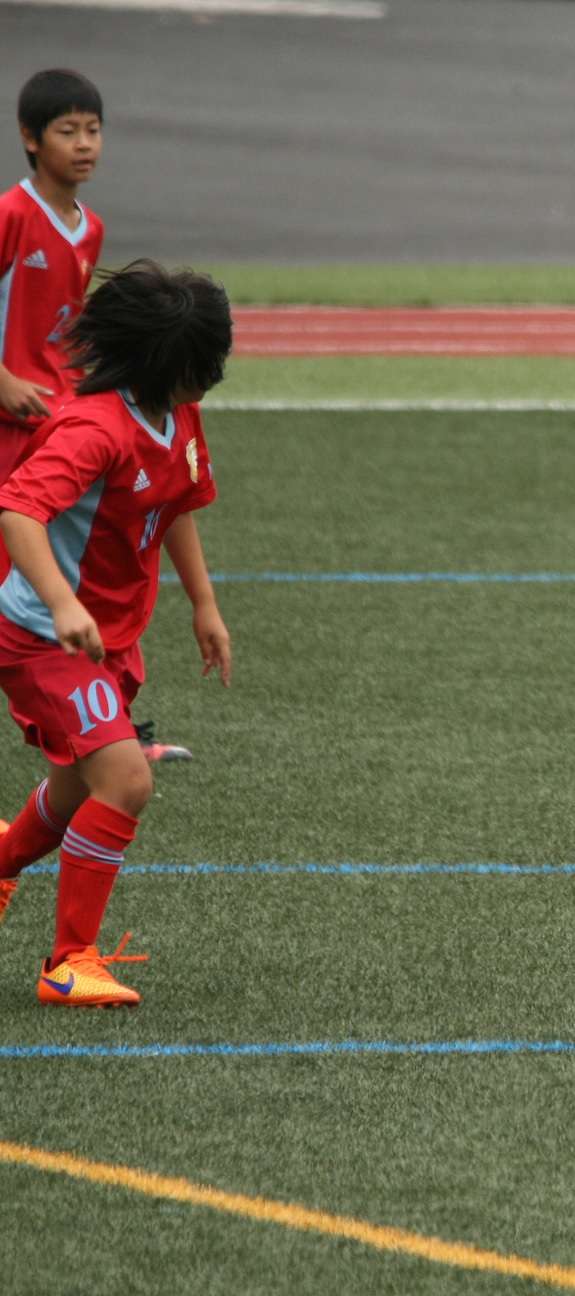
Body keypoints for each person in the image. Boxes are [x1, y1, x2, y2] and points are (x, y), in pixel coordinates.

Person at [0, 259, 233, 1008]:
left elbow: (179, 502)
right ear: (173, 362)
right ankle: (69, 961)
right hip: (43, 637)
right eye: (210, 360)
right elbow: (18, 514)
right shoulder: (93, 428)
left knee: (76, 788)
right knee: (126, 780)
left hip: (110, 638)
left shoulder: (177, 412)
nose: (219, 372)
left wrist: (204, 603)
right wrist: (65, 605)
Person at [3, 68, 191, 762]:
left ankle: (104, 725)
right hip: (9, 423)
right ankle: (90, 733)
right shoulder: (11, 216)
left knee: (105, 558)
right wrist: (4, 381)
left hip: (53, 422)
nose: (85, 144)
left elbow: (71, 329)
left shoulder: (91, 226)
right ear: (29, 138)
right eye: (67, 130)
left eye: (94, 129)